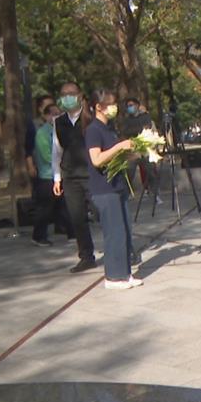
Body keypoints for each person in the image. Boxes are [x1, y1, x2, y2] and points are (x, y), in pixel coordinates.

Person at [84, 89, 142, 290]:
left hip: (118, 185)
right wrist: (119, 147)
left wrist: (136, 151)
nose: (114, 107)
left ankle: (125, 272)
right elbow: (97, 159)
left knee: (125, 229)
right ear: (98, 107)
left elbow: (115, 157)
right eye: (109, 104)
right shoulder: (93, 130)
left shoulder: (110, 128)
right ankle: (113, 277)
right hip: (103, 188)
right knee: (114, 232)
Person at [52, 81, 97, 273]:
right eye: (64, 94)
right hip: (70, 176)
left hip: (92, 174)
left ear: (80, 95)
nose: (67, 97)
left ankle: (122, 249)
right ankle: (86, 256)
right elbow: (56, 151)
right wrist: (57, 177)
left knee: (103, 213)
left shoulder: (92, 119)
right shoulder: (59, 121)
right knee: (77, 218)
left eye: (71, 93)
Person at [31, 103, 70, 246]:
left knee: (62, 205)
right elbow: (48, 156)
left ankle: (68, 230)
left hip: (61, 173)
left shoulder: (60, 130)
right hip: (47, 176)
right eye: (53, 114)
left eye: (58, 113)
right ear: (46, 116)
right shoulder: (42, 133)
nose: (56, 116)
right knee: (44, 208)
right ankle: (38, 236)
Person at [121, 97, 160, 201]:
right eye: (128, 106)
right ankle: (126, 194)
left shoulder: (145, 116)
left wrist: (135, 131)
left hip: (145, 148)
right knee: (129, 172)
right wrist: (139, 129)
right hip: (133, 149)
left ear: (137, 105)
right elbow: (125, 132)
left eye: (132, 105)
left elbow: (147, 127)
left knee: (151, 172)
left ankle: (156, 194)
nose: (130, 108)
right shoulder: (127, 120)